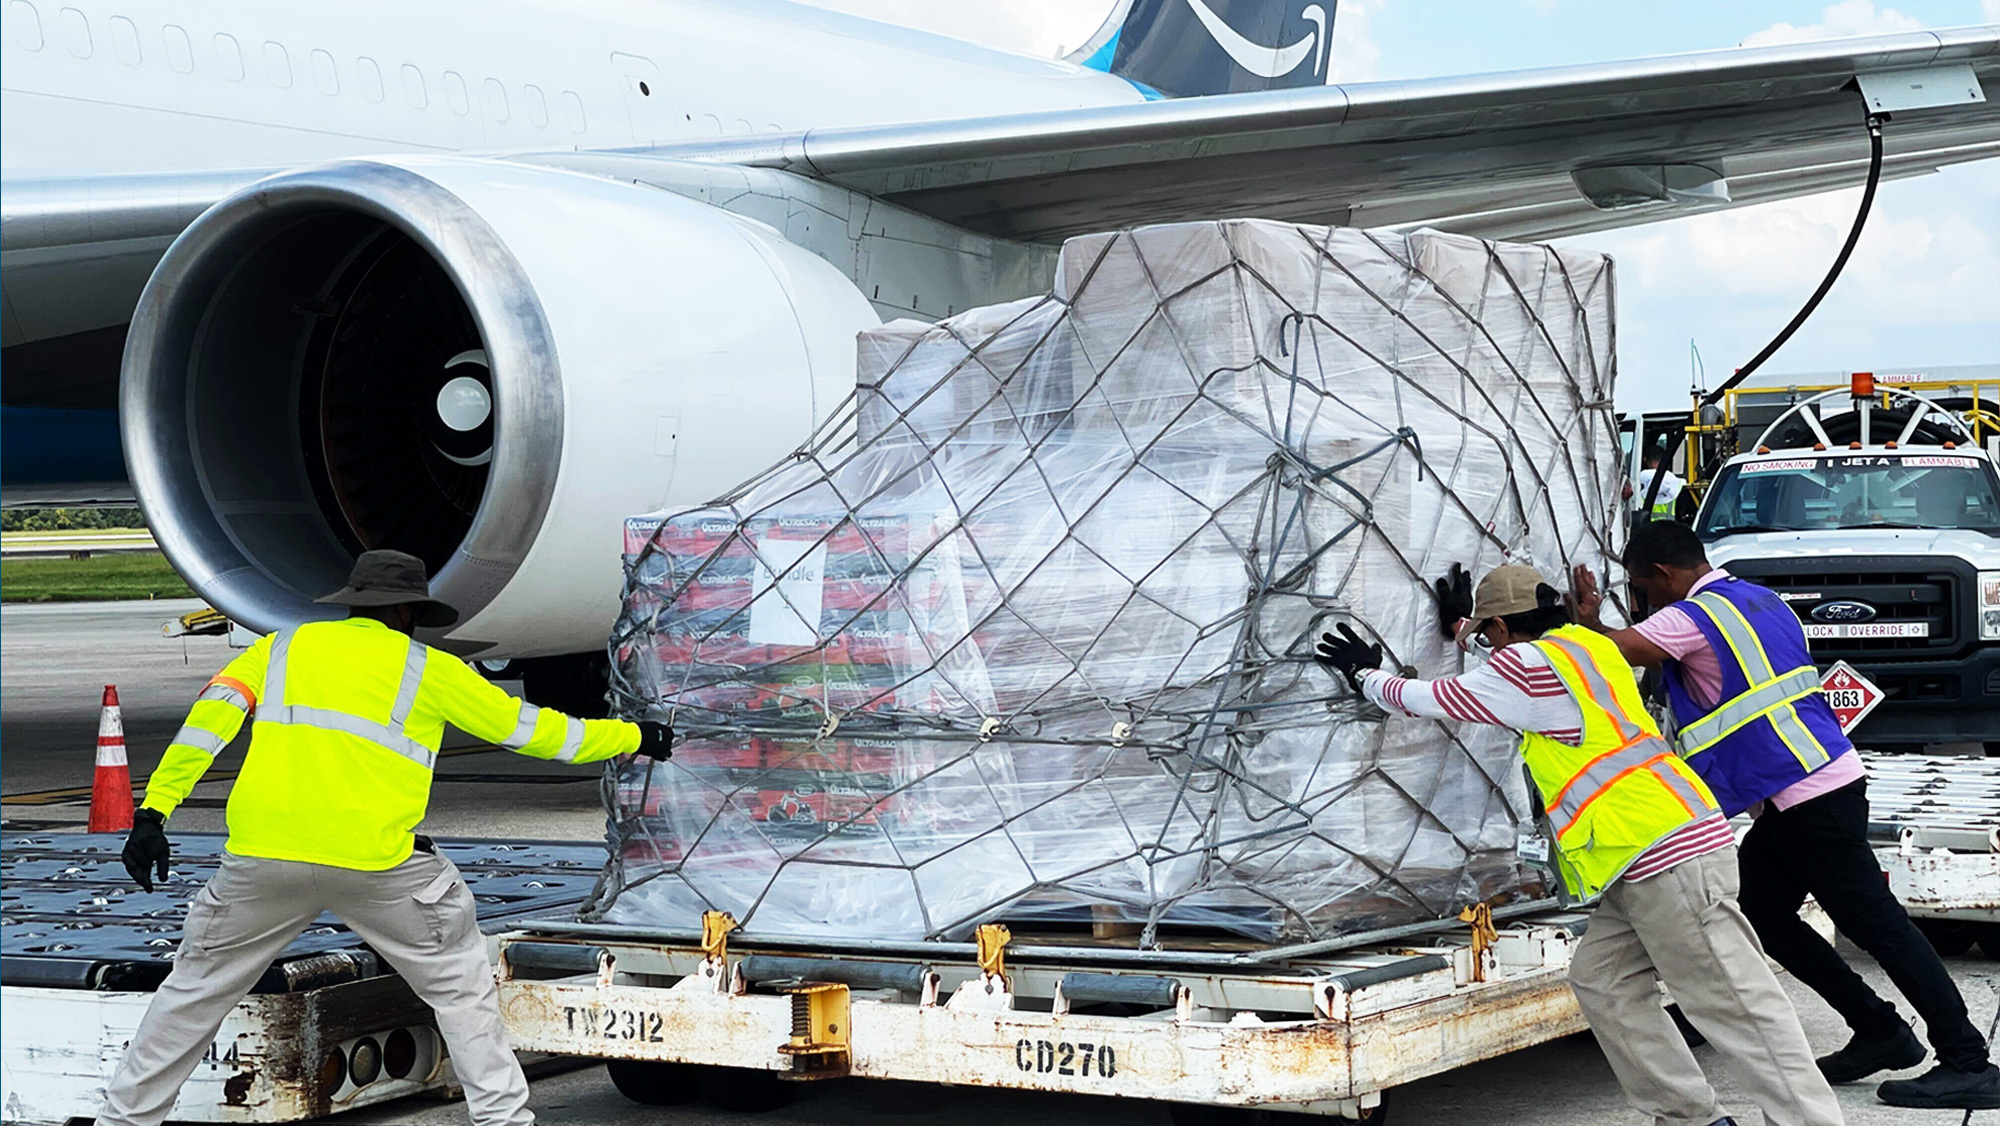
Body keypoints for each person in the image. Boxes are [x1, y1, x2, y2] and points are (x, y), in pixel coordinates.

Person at [101, 550, 675, 1126]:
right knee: (459, 985)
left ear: (352, 602)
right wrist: (635, 735)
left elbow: (208, 724)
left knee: (192, 995)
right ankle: (503, 1119)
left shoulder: (278, 649)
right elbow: (543, 735)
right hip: (376, 864)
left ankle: (124, 1119)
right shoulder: (432, 668)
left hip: (262, 858)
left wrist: (154, 813)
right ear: (407, 609)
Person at [1316, 564, 1842, 1126]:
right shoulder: (1588, 648)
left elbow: (1435, 697)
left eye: (1489, 636)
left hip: (1666, 855)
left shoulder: (1525, 669)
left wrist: (1366, 676)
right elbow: (1512, 673)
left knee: (1737, 1005)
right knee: (1603, 981)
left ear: (1501, 627)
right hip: (1646, 855)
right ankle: (1692, 1118)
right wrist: (1467, 628)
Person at [1575, 521, 1998, 1111]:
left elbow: (1610, 652)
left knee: (1881, 929)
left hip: (1809, 798)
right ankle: (1878, 1029)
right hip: (1808, 789)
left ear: (1665, 575)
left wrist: (1586, 618)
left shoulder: (1689, 617)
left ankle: (1967, 1060)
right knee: (1763, 911)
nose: (1646, 602)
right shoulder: (1760, 598)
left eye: (1643, 588)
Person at [1635, 446, 1687, 524]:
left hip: (1646, 529)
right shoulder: (1677, 482)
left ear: (1645, 459)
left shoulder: (1637, 481)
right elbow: (1681, 510)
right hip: (1669, 528)